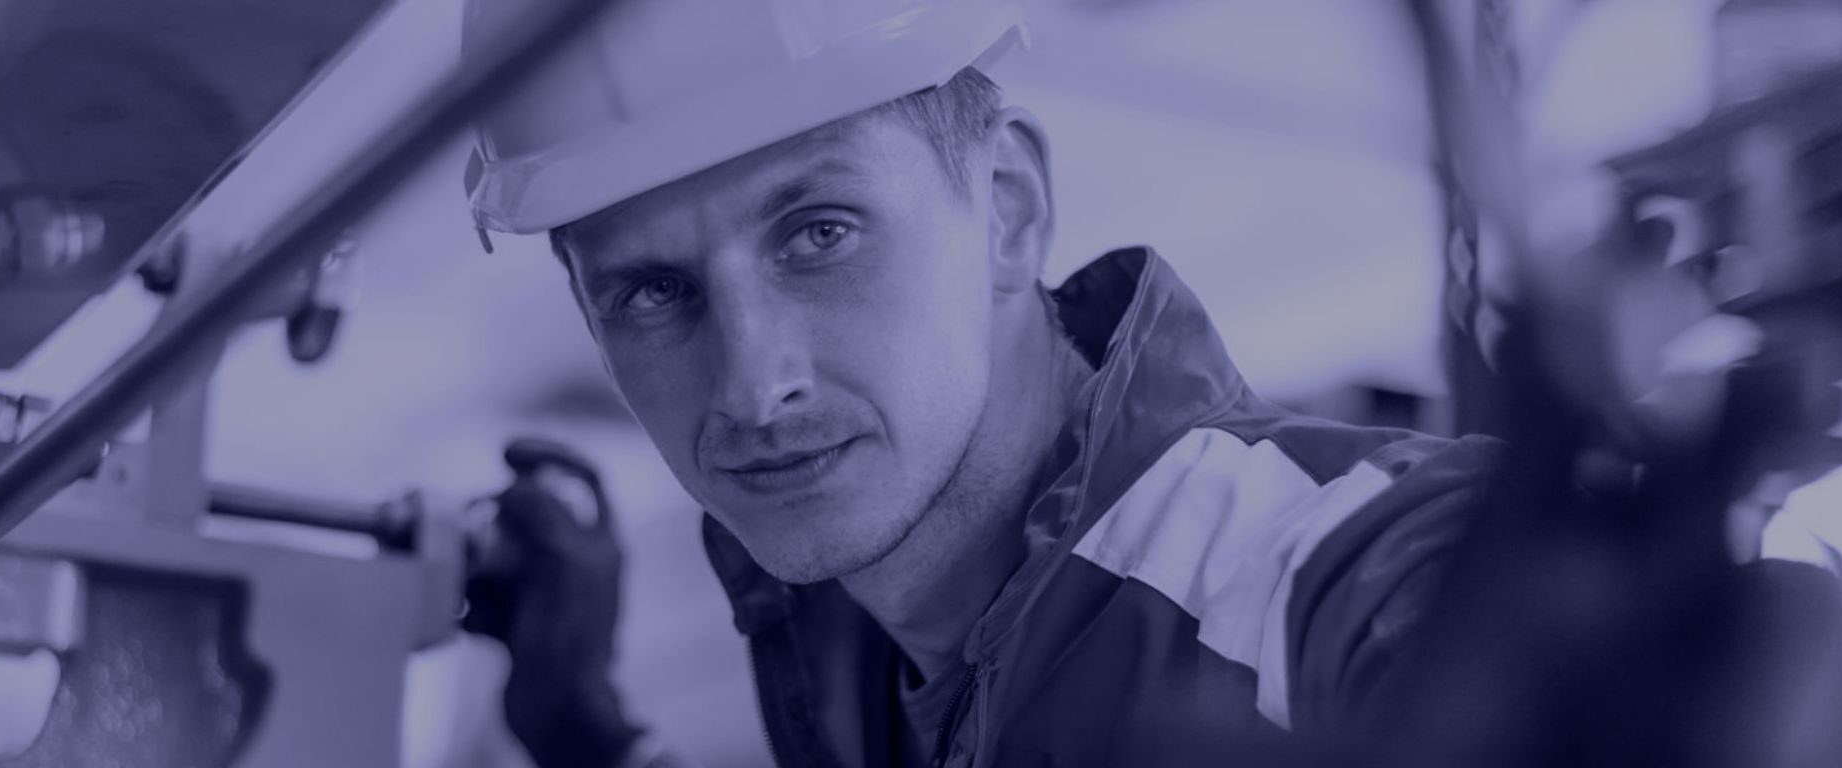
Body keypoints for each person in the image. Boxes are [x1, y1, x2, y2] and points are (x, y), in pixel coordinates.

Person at [456, 1, 1500, 766]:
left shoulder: (1303, 577)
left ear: (1006, 206)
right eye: (651, 292)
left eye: (819, 235)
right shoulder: (865, 665)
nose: (752, 387)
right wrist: (586, 730)